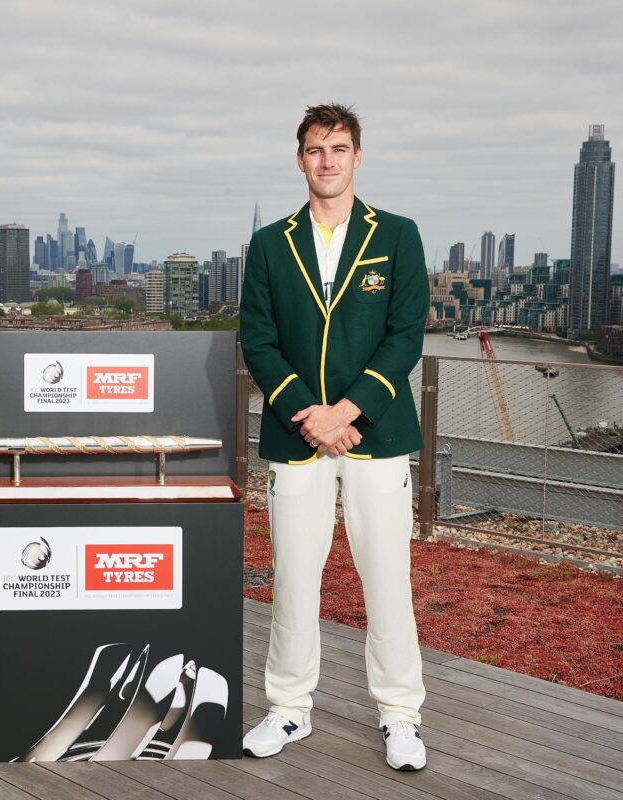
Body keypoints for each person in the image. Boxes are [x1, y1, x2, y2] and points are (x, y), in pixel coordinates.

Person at [239, 104, 429, 771]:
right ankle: (289, 706)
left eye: (340, 149)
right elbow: (257, 341)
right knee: (294, 579)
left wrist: (347, 411)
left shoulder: (398, 236)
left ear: (357, 157)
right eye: (316, 150)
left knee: (388, 580)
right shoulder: (269, 244)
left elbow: (406, 335)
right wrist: (308, 414)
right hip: (298, 440)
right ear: (300, 160)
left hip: (376, 435)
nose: (328, 161)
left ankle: (400, 714)